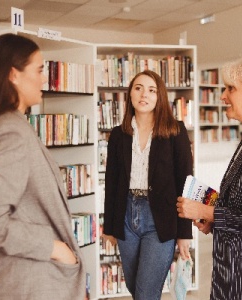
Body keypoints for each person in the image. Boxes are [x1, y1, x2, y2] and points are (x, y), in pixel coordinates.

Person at [0, 33, 85, 300]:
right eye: (40, 70)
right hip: (25, 282)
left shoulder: (6, 125)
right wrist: (56, 248)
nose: (45, 78)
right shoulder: (10, 132)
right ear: (14, 75)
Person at [177, 53, 242, 300]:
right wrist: (215, 220)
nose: (223, 97)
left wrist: (204, 212)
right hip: (232, 270)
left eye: (231, 88)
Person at [103, 70, 193, 299]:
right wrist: (110, 227)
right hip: (125, 217)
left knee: (145, 293)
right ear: (130, 94)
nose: (144, 94)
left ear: (159, 96)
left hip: (160, 219)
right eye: (138, 88)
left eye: (152, 90)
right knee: (135, 288)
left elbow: (185, 182)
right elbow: (112, 182)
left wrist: (185, 232)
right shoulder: (118, 134)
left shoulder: (175, 131)